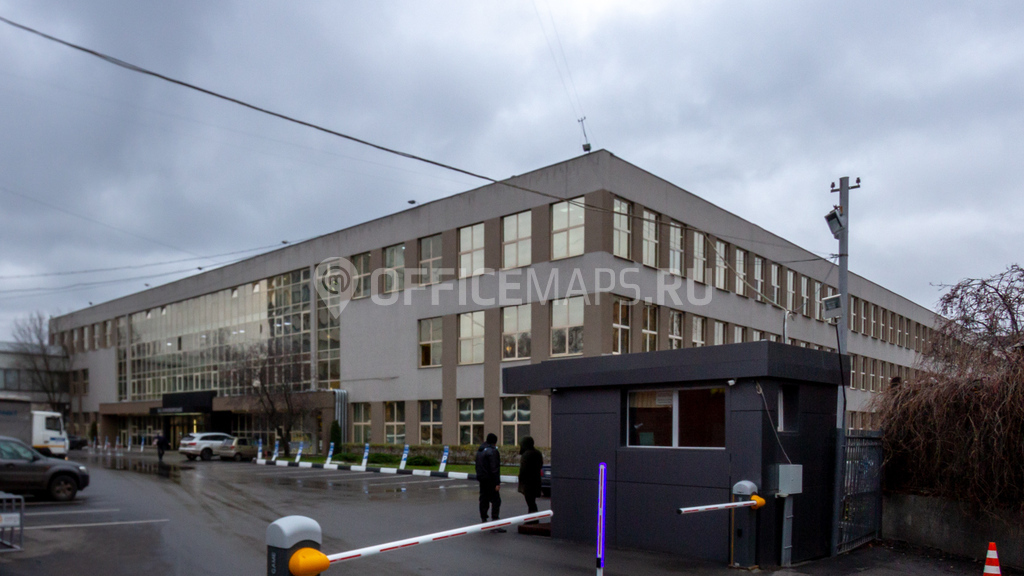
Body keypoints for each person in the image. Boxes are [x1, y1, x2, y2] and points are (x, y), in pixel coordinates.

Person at [475, 432, 503, 531]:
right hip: (490, 480)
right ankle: (495, 523)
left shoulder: (480, 450)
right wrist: (497, 483)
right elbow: (494, 468)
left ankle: (484, 520)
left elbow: (477, 466)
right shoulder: (493, 451)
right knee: (496, 501)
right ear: (494, 442)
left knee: (484, 500)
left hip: (482, 479)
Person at [517, 436, 543, 516]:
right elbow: (540, 465)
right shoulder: (538, 453)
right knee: (532, 502)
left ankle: (533, 518)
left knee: (531, 503)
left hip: (528, 483)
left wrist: (520, 478)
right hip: (536, 481)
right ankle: (532, 518)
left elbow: (523, 469)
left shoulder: (526, 455)